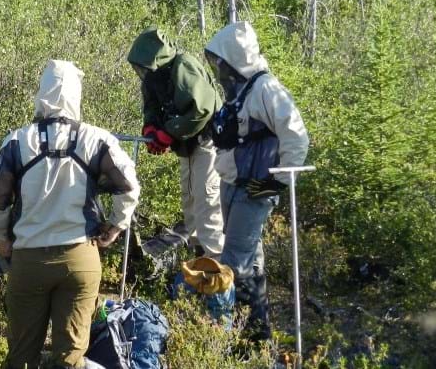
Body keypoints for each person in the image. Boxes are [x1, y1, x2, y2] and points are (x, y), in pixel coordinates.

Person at [0, 60, 141, 369]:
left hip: (29, 259)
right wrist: (116, 226)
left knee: (21, 358)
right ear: (75, 95)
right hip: (80, 259)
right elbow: (129, 185)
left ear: (42, 94)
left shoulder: (18, 141)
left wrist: (2, 237)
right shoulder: (97, 140)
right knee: (69, 359)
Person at [204, 21, 309, 342]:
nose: (218, 70)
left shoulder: (266, 88)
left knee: (234, 261)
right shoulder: (243, 89)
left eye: (220, 63)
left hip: (255, 190)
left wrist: (278, 183)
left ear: (234, 58)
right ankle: (258, 334)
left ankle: (228, 337)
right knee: (251, 259)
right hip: (234, 184)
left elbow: (297, 136)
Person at [127, 26, 226, 260]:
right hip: (187, 149)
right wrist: (151, 129)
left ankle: (219, 280)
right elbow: (151, 108)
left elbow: (201, 109)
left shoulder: (183, 66)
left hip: (207, 146)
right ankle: (199, 271)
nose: (140, 71)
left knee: (208, 207)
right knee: (191, 207)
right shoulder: (153, 78)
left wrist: (168, 133)